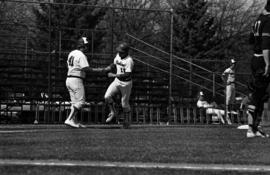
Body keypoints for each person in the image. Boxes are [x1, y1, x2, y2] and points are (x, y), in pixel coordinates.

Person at [65, 37, 104, 128]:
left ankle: (73, 122)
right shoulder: (81, 55)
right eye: (86, 45)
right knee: (81, 102)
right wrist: (99, 70)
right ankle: (69, 119)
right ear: (83, 46)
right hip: (76, 79)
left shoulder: (72, 53)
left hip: (69, 79)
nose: (87, 47)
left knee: (74, 103)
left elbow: (68, 66)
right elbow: (86, 68)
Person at [245, 0, 270, 138]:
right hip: (261, 59)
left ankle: (255, 127)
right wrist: (267, 63)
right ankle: (250, 129)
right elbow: (265, 44)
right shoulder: (267, 21)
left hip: (255, 59)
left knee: (261, 95)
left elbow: (250, 40)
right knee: (257, 95)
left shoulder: (258, 20)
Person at [103, 42, 134, 129]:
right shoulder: (118, 55)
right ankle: (113, 112)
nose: (119, 53)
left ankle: (127, 121)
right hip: (117, 81)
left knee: (124, 104)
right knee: (107, 96)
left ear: (126, 52)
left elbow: (128, 73)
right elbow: (114, 64)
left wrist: (114, 75)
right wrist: (108, 68)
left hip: (126, 83)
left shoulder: (129, 60)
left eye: (121, 52)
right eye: (119, 51)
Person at [222, 58, 236, 125]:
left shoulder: (234, 70)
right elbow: (222, 75)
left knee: (232, 99)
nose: (234, 64)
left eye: (234, 63)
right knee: (228, 98)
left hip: (233, 84)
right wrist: (225, 82)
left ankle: (231, 111)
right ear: (230, 64)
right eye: (233, 63)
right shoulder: (228, 70)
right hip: (229, 85)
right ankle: (227, 112)